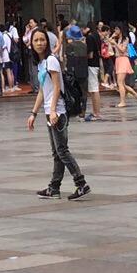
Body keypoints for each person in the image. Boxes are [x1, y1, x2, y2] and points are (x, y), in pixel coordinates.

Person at [26, 27, 89, 200]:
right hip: (49, 111)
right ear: (31, 43)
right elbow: (42, 91)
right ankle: (54, 188)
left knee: (62, 150)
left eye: (42, 40)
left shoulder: (51, 61)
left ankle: (81, 183)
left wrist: (53, 110)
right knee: (57, 152)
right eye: (36, 40)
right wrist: (34, 113)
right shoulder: (41, 63)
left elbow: (56, 87)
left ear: (48, 42)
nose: (39, 43)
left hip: (58, 112)